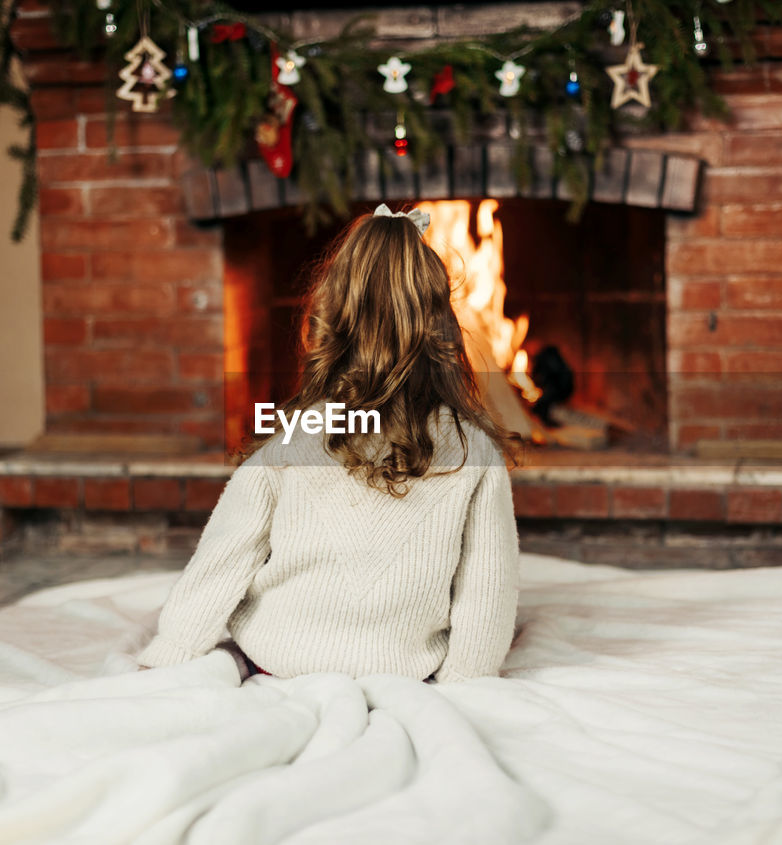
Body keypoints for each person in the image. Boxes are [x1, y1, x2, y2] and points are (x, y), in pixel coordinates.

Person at [137, 204, 521, 683]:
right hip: (403, 670)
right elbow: (488, 593)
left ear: (330, 320)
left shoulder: (290, 438)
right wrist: (466, 682)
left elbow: (224, 560)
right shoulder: (473, 451)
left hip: (280, 660)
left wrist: (170, 652)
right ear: (442, 324)